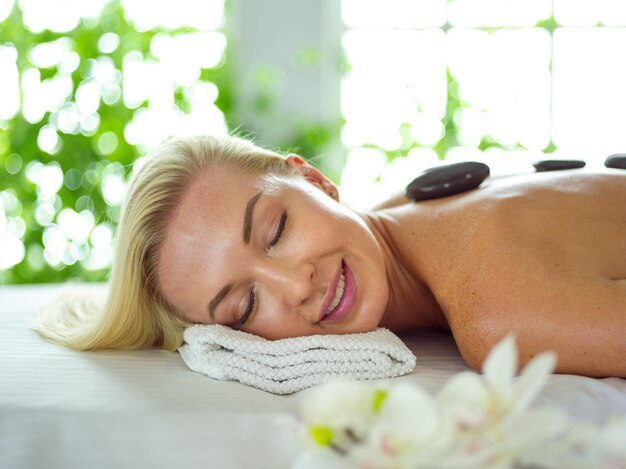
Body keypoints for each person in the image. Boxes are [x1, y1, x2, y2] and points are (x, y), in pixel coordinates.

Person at [35, 134, 626, 378]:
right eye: (244, 306)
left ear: (315, 180)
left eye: (276, 231)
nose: (296, 284)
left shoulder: (499, 317)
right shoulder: (409, 210)